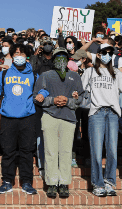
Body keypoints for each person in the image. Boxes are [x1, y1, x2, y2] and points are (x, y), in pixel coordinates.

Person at [33, 47, 84, 198]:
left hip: (69, 117)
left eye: (64, 56)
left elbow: (80, 98)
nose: (61, 59)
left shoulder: (75, 76)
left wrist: (68, 100)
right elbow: (37, 97)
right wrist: (52, 100)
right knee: (50, 150)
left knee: (66, 152)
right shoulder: (45, 75)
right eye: (58, 56)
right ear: (53, 59)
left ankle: (64, 183)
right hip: (50, 116)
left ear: (68, 59)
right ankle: (52, 182)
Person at [81, 43, 122, 197]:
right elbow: (79, 89)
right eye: (104, 52)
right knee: (97, 151)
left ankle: (110, 182)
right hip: (96, 112)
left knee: (112, 150)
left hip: (112, 113)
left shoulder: (117, 73)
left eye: (110, 52)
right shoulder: (90, 71)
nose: (107, 55)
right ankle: (98, 184)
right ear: (98, 54)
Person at [0, 44, 37, 195]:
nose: (19, 56)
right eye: (16, 53)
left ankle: (26, 182)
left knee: (27, 151)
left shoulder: (34, 74)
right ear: (11, 56)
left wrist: (43, 93)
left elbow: (41, 89)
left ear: (27, 57)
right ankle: (7, 181)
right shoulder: (4, 74)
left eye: (22, 53)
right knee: (8, 151)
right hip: (8, 118)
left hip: (27, 118)